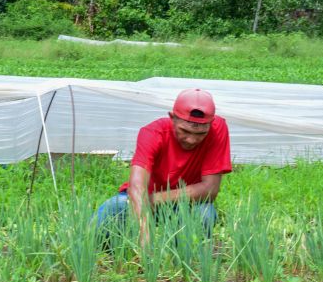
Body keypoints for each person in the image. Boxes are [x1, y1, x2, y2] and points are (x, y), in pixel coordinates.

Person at [95, 88, 231, 244]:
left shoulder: (218, 128)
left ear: (211, 124)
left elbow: (210, 189)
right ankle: (111, 252)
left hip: (184, 202)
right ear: (172, 118)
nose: (191, 140)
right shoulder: (152, 133)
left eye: (201, 134)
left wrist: (153, 200)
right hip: (141, 200)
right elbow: (137, 186)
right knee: (112, 209)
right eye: (184, 131)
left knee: (204, 214)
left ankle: (180, 256)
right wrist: (144, 234)